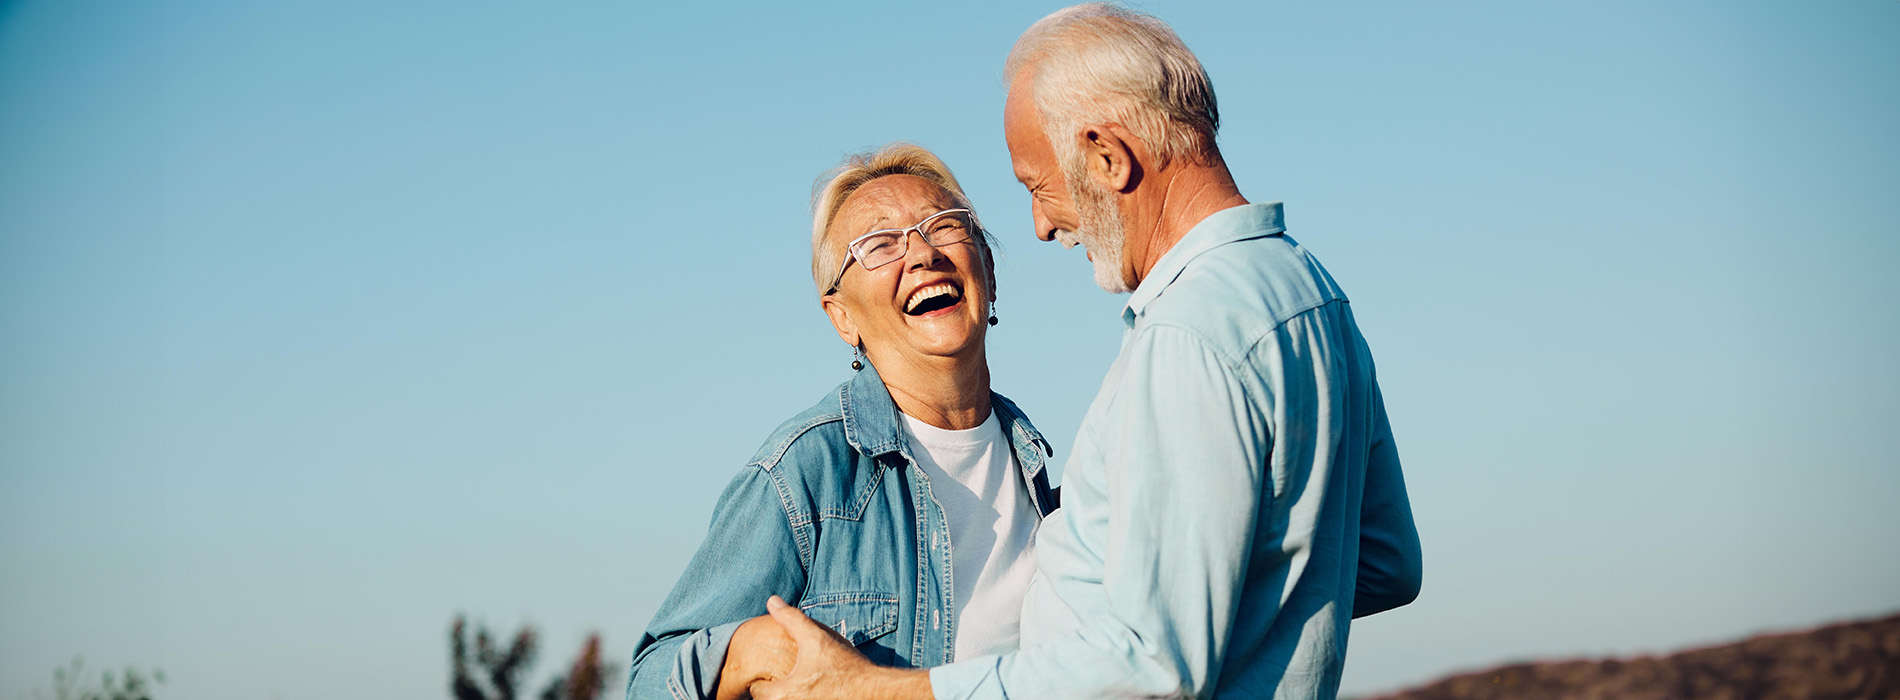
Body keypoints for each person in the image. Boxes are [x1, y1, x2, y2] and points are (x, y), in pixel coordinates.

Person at [751, 4, 1423, 700]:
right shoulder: (1312, 291)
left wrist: (877, 690)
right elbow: (1382, 562)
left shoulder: (1186, 336)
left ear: (1108, 156)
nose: (1041, 226)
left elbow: (1152, 666)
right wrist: (1213, 600)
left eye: (1037, 186)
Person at [624, 143, 1060, 700]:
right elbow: (649, 678)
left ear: (989, 273)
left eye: (944, 226)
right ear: (842, 317)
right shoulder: (802, 472)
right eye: (879, 244)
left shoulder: (1040, 476)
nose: (923, 255)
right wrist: (753, 650)